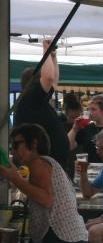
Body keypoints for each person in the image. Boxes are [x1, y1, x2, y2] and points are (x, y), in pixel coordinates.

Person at [13, 40, 72, 178]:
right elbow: (49, 77)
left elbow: (53, 80)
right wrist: (46, 50)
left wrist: (53, 56)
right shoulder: (30, 97)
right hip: (42, 170)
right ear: (36, 82)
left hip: (49, 168)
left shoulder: (35, 100)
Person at [69, 94, 103, 164]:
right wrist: (74, 129)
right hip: (89, 170)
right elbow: (69, 146)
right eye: (88, 109)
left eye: (93, 109)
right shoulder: (86, 128)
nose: (90, 112)